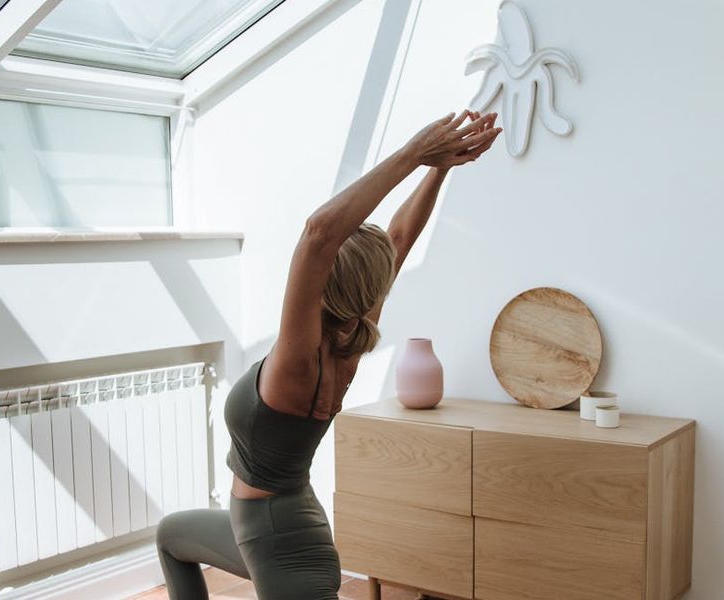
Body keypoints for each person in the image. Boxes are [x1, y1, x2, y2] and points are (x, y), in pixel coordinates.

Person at [156, 110, 502, 600]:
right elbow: (398, 239)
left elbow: (320, 231)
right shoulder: (350, 336)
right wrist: (440, 168)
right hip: (267, 525)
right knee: (172, 536)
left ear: (327, 280)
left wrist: (412, 155)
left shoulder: (300, 361)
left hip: (279, 546)